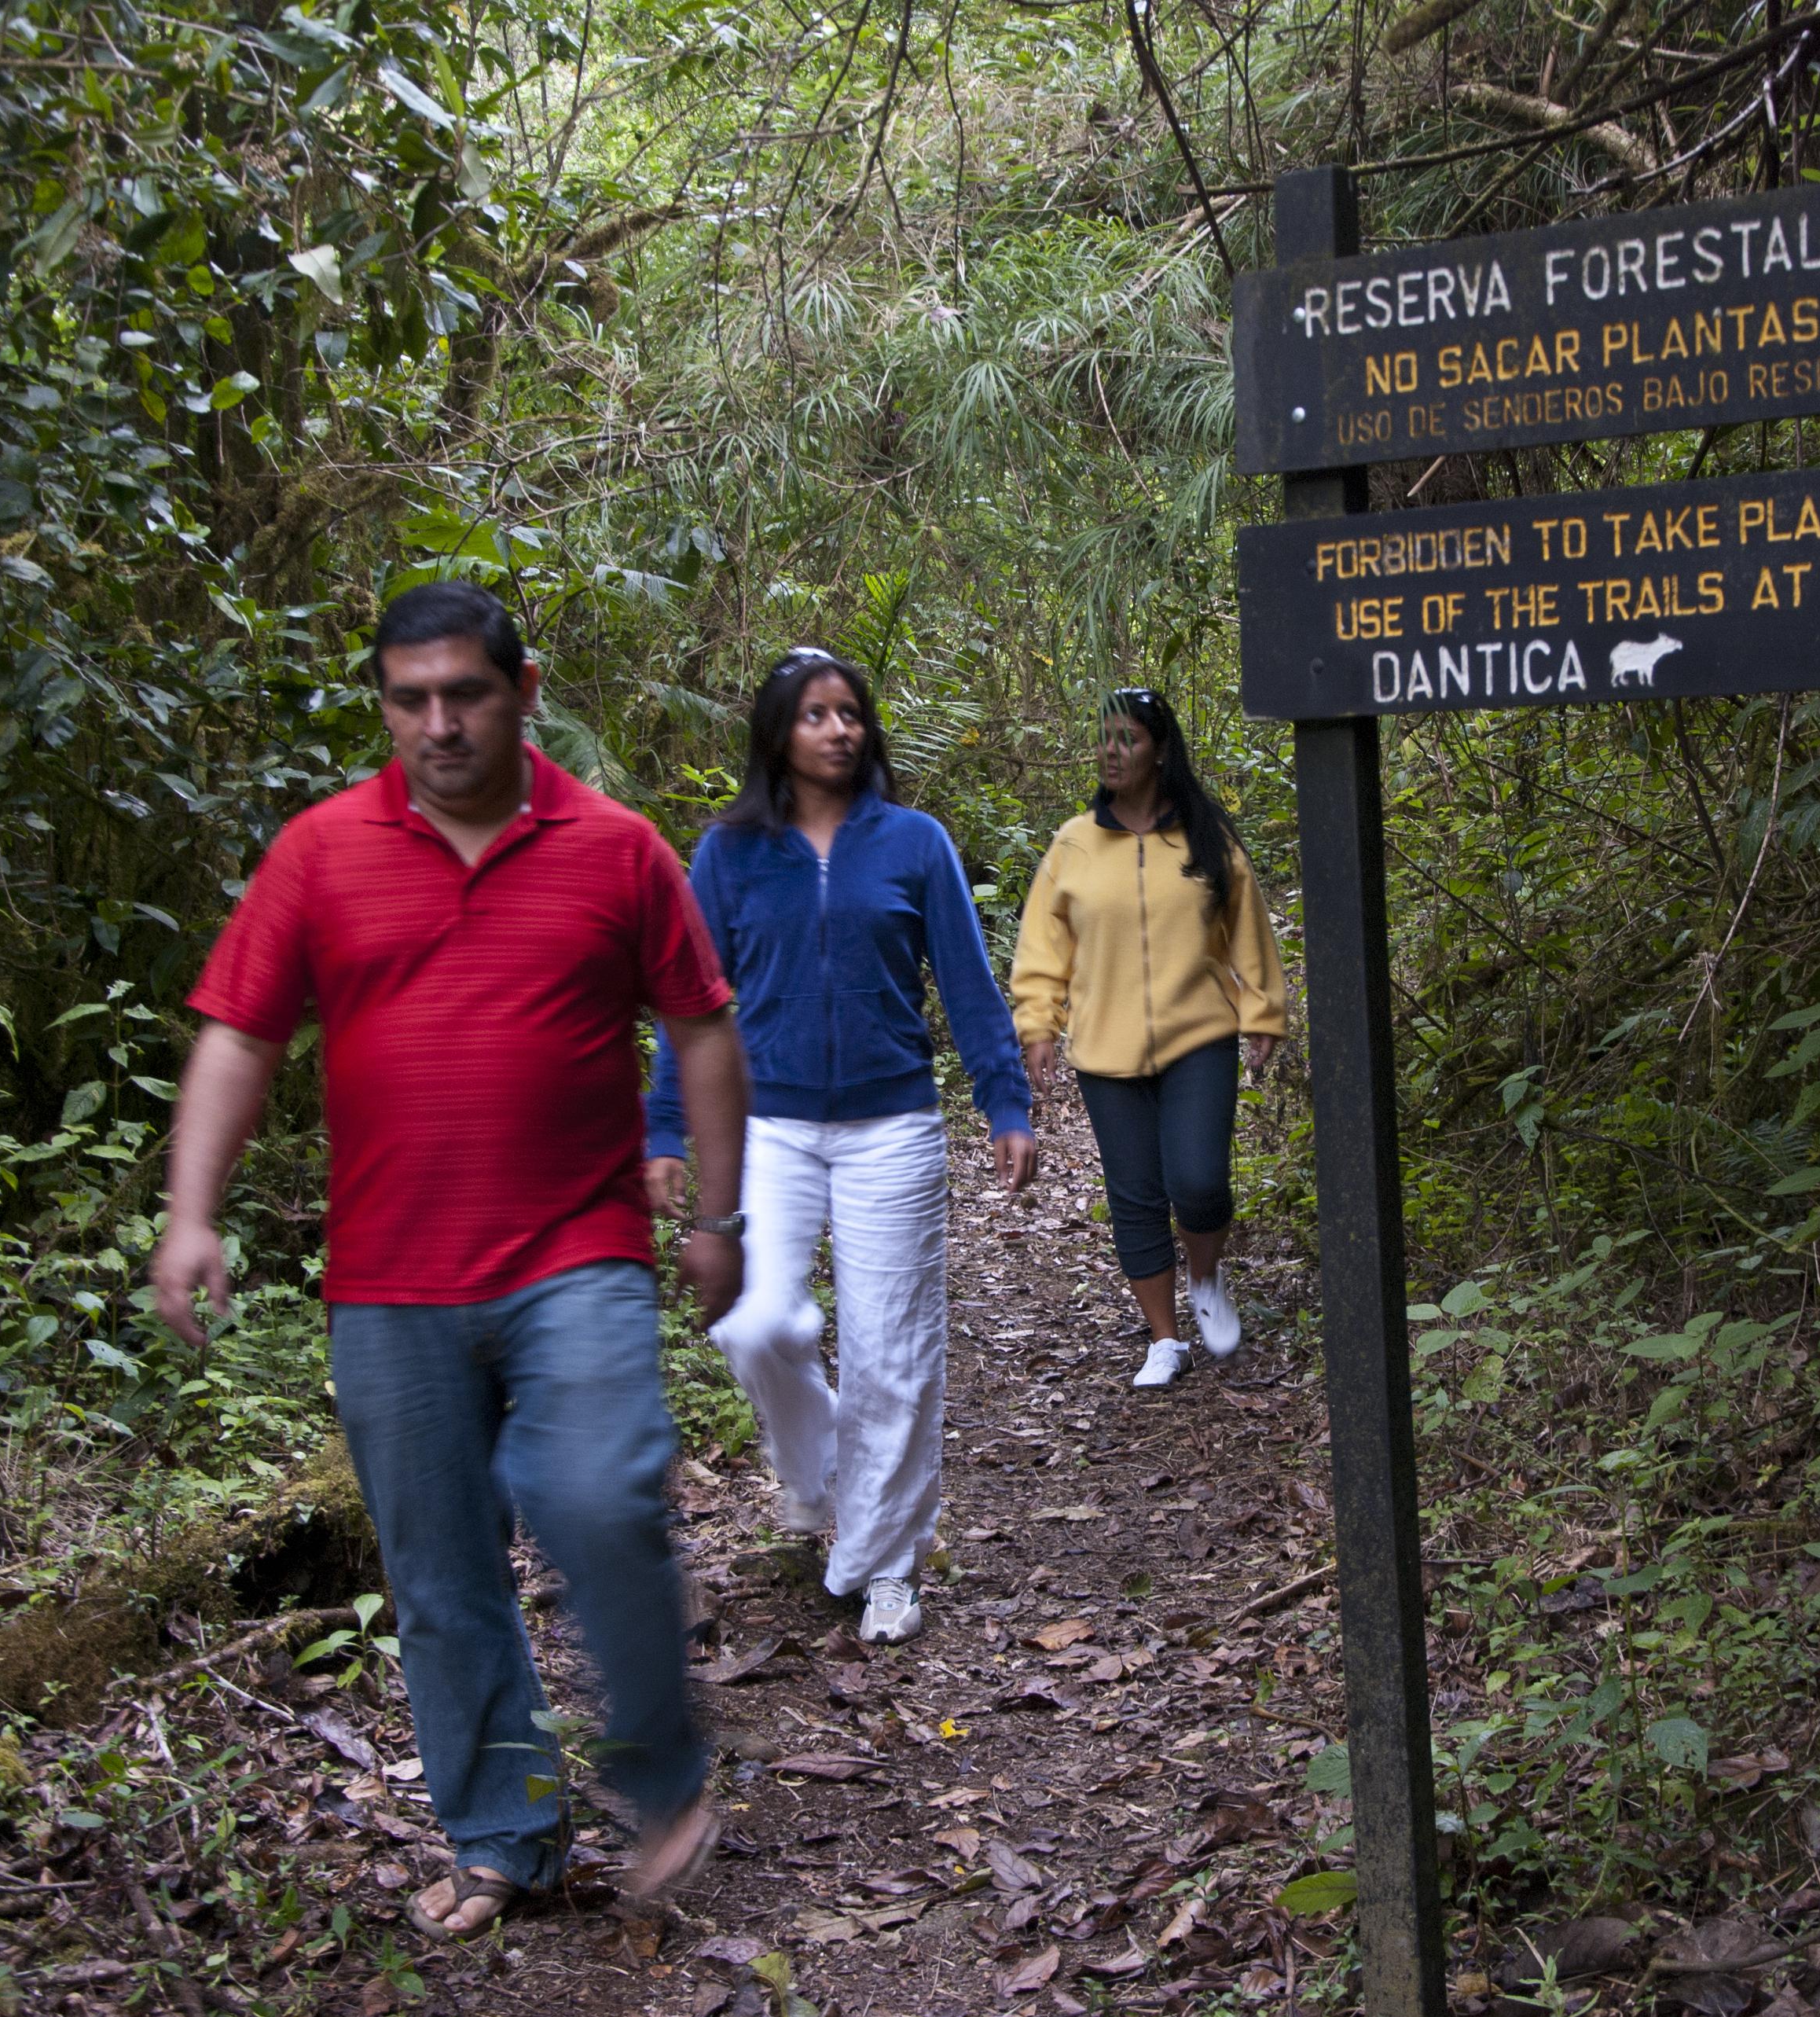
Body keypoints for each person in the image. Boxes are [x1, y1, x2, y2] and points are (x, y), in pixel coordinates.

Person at [149, 580, 750, 1944]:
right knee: (440, 1575)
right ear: (383, 704)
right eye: (409, 699)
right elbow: (240, 1035)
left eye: (465, 694)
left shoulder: (615, 849)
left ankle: (660, 1777)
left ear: (523, 689)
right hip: (387, 1283)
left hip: (577, 1258)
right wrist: (192, 1212)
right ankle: (506, 1836)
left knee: (596, 1490)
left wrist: (718, 1217)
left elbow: (702, 1031)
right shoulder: (319, 852)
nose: (438, 723)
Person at [644, 647, 1035, 1646]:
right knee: (754, 1322)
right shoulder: (727, 854)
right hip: (766, 1125)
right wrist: (664, 1126)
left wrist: (1005, 1102)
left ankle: (886, 1562)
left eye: (849, 713)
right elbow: (689, 1008)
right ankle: (821, 1481)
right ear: (778, 733)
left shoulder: (913, 843)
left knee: (890, 1356)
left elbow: (965, 978)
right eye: (814, 715)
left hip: (890, 1127)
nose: (837, 730)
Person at [1011, 686, 1286, 1391]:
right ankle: (1164, 1340)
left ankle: (1205, 1277)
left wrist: (1261, 1012)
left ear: (1158, 750)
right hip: (1106, 1050)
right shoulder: (1073, 844)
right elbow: (1043, 947)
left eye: (1126, 737)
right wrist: (1037, 1023)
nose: (1110, 749)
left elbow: (1247, 931)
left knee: (1197, 1181)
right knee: (1134, 1195)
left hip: (1199, 1035)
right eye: (1103, 736)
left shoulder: (1204, 837)